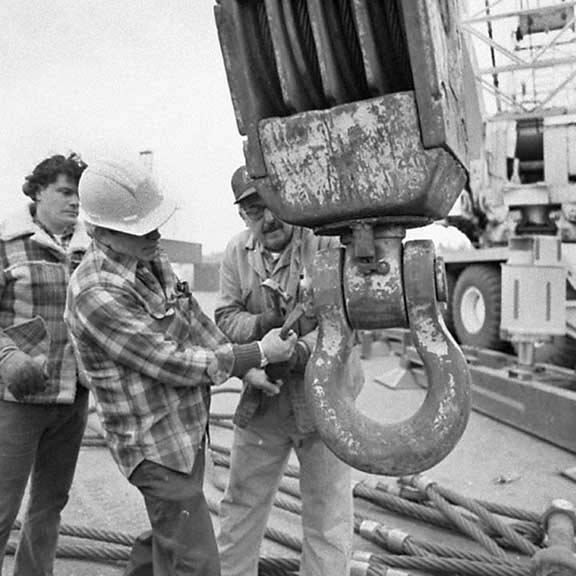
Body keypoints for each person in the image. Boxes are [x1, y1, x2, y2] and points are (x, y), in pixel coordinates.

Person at [64, 158, 297, 576]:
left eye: (155, 224)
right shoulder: (95, 292)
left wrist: (244, 368)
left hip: (185, 431)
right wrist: (256, 354)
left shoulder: (150, 258)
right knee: (198, 562)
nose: (154, 234)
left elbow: (195, 323)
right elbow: (169, 361)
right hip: (153, 445)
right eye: (140, 230)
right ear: (100, 233)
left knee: (169, 534)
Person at [215, 166, 364, 576]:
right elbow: (225, 316)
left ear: (291, 202)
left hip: (326, 402)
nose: (267, 219)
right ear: (244, 215)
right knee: (241, 503)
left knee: (328, 514)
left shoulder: (327, 245)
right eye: (253, 210)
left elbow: (346, 319)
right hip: (265, 398)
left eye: (274, 205)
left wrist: (298, 351)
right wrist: (261, 329)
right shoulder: (235, 253)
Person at [0, 153, 90, 576]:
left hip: (72, 398)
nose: (74, 203)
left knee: (49, 506)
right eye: (65, 192)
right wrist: (6, 355)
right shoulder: (6, 243)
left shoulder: (93, 249)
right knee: (2, 506)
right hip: (17, 400)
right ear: (37, 192)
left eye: (79, 195)